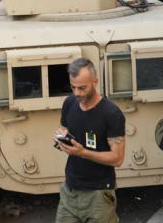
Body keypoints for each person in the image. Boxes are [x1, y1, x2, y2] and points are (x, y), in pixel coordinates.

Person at [55, 58, 126, 223]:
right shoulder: (69, 103)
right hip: (70, 191)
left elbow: (118, 158)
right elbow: (65, 128)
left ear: (95, 82)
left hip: (98, 195)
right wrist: (62, 136)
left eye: (82, 88)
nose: (77, 93)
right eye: (73, 87)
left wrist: (83, 152)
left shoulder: (111, 114)